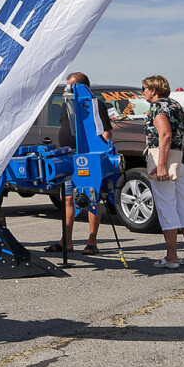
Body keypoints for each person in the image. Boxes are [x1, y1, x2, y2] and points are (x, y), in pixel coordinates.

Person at [44, 72, 113, 255]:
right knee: (67, 198)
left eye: (71, 86)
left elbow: (106, 132)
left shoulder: (94, 105)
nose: (67, 89)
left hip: (87, 159)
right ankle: (66, 241)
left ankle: (92, 241)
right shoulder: (66, 105)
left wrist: (98, 157)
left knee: (91, 197)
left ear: (82, 87)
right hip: (68, 158)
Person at [143, 75, 184, 269]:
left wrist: (161, 164)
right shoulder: (176, 105)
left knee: (167, 206)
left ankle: (171, 257)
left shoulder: (158, 107)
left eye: (145, 89)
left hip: (166, 160)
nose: (143, 93)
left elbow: (164, 135)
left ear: (154, 90)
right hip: (183, 160)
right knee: (183, 205)